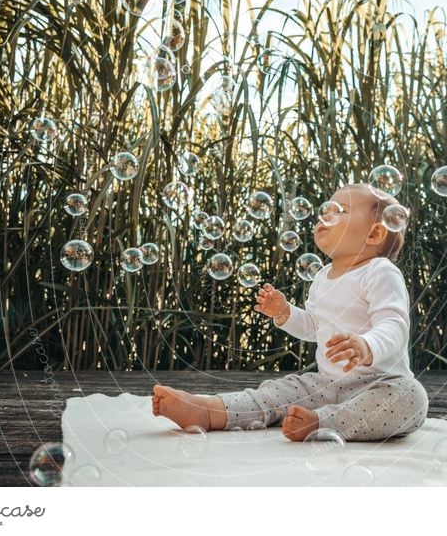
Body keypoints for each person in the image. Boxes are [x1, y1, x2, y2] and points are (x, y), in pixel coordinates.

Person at [152, 183, 428, 441]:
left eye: (339, 211)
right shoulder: (322, 277)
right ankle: (209, 409)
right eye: (326, 210)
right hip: (326, 384)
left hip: (381, 383)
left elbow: (394, 325)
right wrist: (285, 314)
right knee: (279, 390)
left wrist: (367, 346)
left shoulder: (379, 271)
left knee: (412, 398)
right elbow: (312, 327)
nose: (325, 216)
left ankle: (322, 423)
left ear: (374, 233)